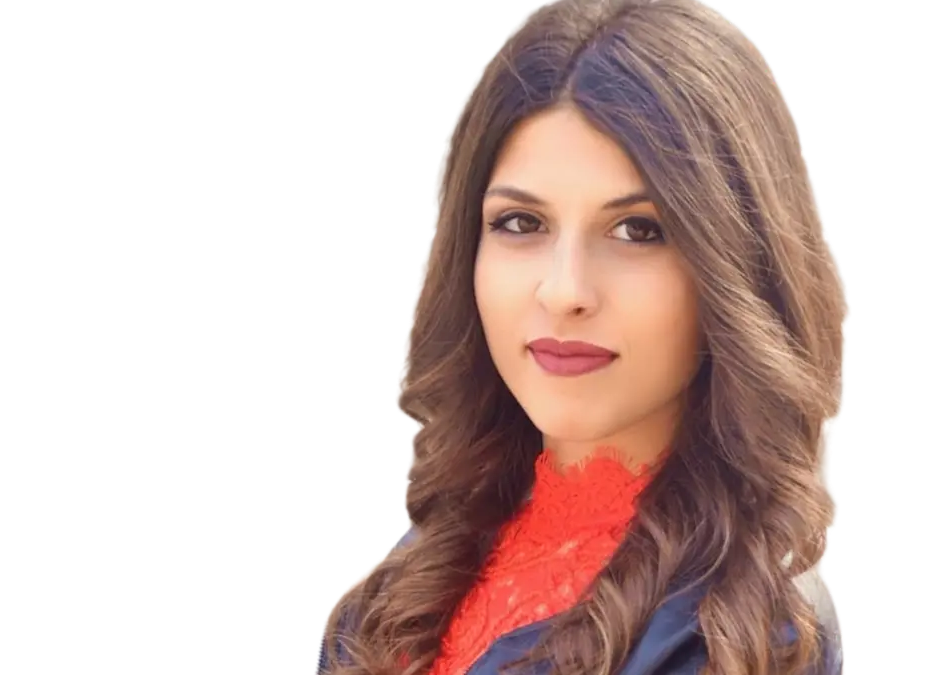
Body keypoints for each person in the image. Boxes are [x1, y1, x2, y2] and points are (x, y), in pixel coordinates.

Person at [319, 0, 847, 672]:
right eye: (520, 222)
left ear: (735, 266)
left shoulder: (743, 639)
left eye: (638, 231)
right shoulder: (404, 587)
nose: (564, 290)